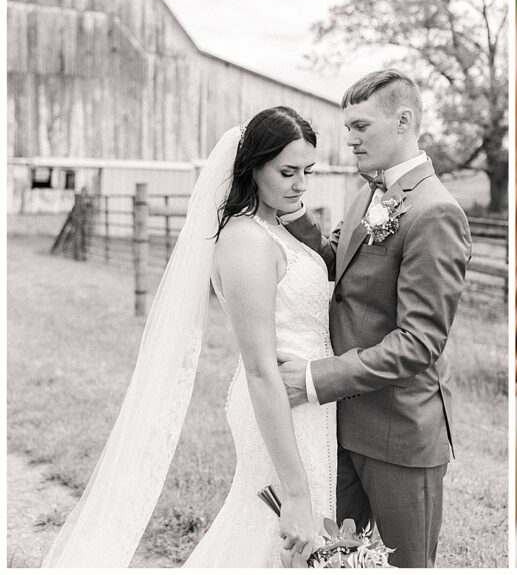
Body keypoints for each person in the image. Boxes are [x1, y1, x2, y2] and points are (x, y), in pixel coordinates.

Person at [43, 106, 334, 568]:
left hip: (308, 400)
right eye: (288, 171)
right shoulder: (245, 242)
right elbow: (260, 369)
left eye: (308, 171)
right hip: (278, 401)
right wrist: (294, 492)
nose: (301, 184)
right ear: (252, 167)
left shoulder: (280, 228)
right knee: (280, 530)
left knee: (297, 540)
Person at [279, 69, 471, 568]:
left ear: (403, 120)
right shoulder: (367, 192)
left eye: (361, 126)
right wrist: (288, 209)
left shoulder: (436, 213)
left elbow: (418, 342)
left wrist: (316, 379)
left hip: (401, 436)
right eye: (349, 127)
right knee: (337, 562)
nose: (351, 138)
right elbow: (336, 264)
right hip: (343, 426)